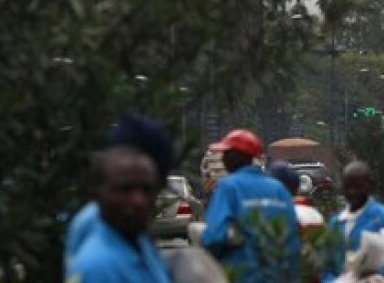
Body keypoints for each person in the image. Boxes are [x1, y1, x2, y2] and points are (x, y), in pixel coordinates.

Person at [65, 112, 176, 272]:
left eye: (147, 188)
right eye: (126, 188)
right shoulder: (96, 226)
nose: (139, 200)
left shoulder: (133, 231)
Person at [201, 129, 300, 283]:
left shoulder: (228, 186)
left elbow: (214, 237)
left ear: (233, 157)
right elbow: (292, 237)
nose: (223, 158)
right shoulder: (278, 189)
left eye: (225, 153)